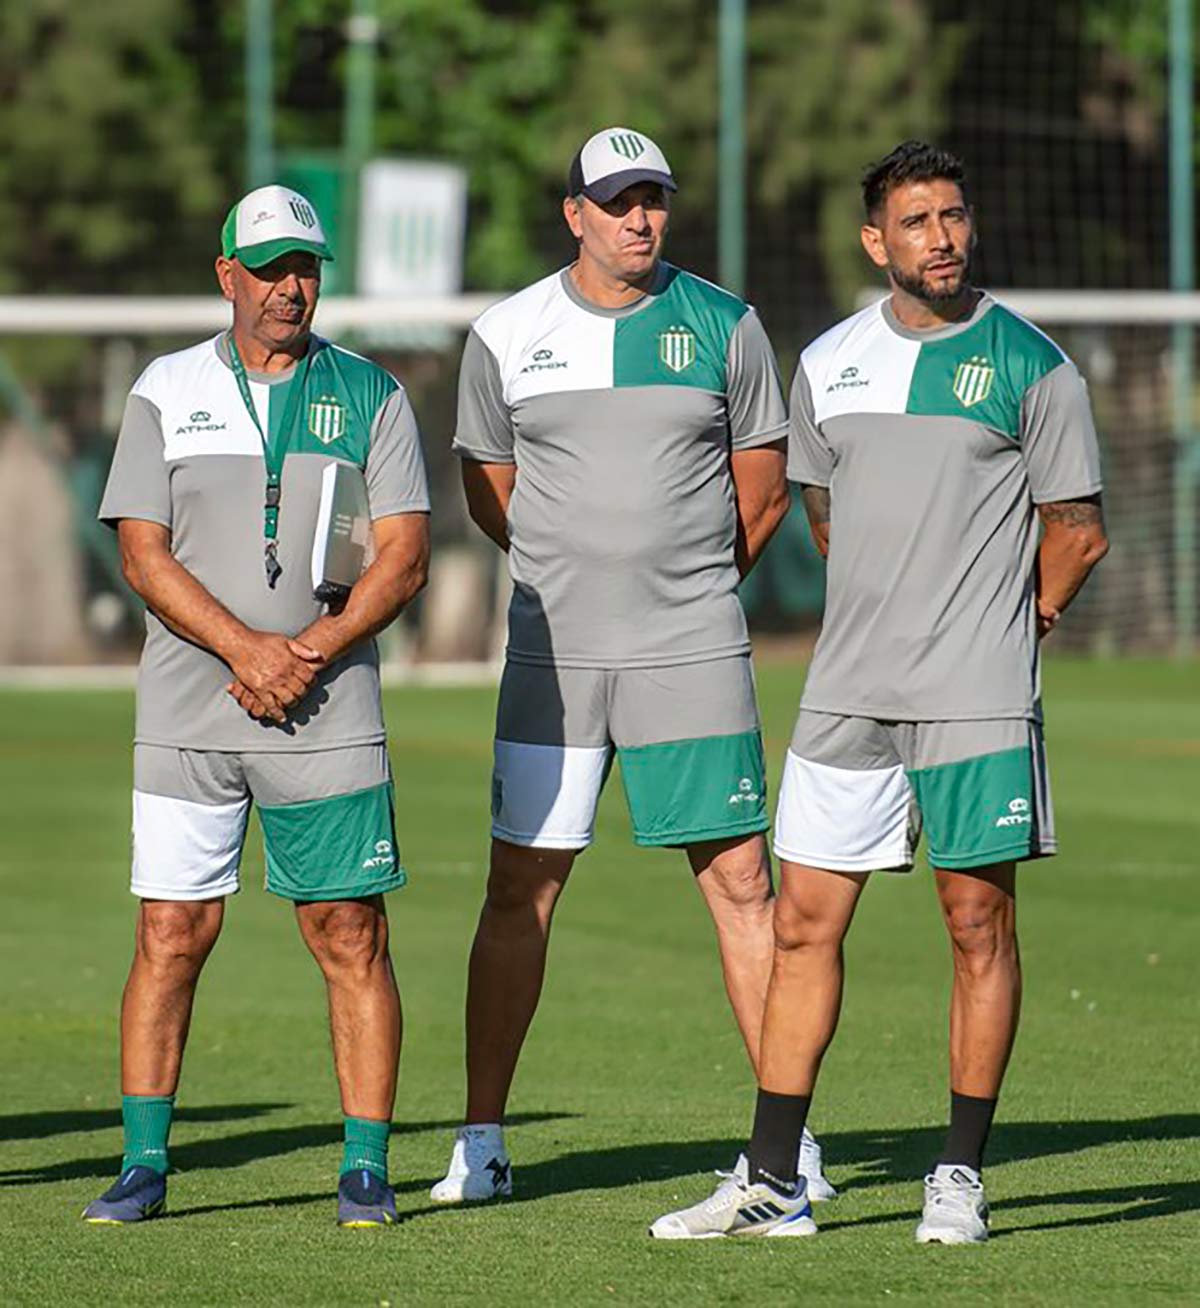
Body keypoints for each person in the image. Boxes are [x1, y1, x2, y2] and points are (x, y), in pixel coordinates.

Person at [651, 140, 1108, 1242]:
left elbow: (1079, 533)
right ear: (877, 242)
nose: (941, 238)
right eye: (916, 222)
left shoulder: (1034, 365)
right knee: (804, 925)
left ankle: (957, 1174)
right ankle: (773, 1179)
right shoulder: (828, 362)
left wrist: (1018, 623)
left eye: (953, 216)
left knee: (975, 922)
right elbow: (823, 514)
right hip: (847, 692)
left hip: (976, 695)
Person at [430, 126, 835, 1205]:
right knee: (521, 885)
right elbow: (488, 488)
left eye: (653, 197)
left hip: (691, 648)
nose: (639, 218)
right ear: (575, 215)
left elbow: (764, 488)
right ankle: (481, 1142)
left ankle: (784, 1152)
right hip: (552, 655)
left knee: (744, 884)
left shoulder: (726, 324)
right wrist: (576, 574)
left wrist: (686, 586)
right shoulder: (505, 333)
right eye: (617, 201)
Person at [84, 185, 431, 1228]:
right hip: (191, 711)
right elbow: (141, 554)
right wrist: (246, 648)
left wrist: (308, 650)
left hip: (330, 709)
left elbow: (404, 557)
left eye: (308, 267)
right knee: (171, 932)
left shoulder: (372, 393)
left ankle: (365, 1170)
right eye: (272, 267)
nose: (293, 286)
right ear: (226, 274)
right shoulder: (164, 388)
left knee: (349, 931)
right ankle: (145, 1164)